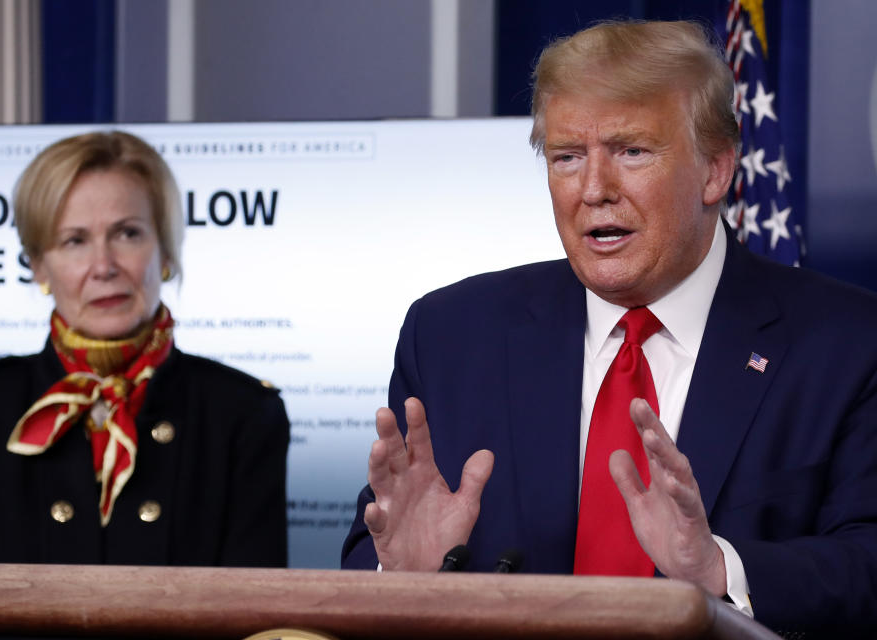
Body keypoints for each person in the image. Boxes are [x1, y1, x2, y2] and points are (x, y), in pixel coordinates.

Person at [341, 20, 877, 637]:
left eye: (632, 151)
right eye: (568, 158)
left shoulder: (846, 345)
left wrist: (719, 570)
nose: (595, 190)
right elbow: (369, 557)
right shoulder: (452, 336)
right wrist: (401, 577)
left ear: (716, 171)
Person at [0, 131, 290, 638]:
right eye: (74, 240)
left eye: (128, 233)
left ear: (164, 250)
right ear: (38, 265)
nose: (104, 266)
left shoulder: (244, 414)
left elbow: (259, 618)